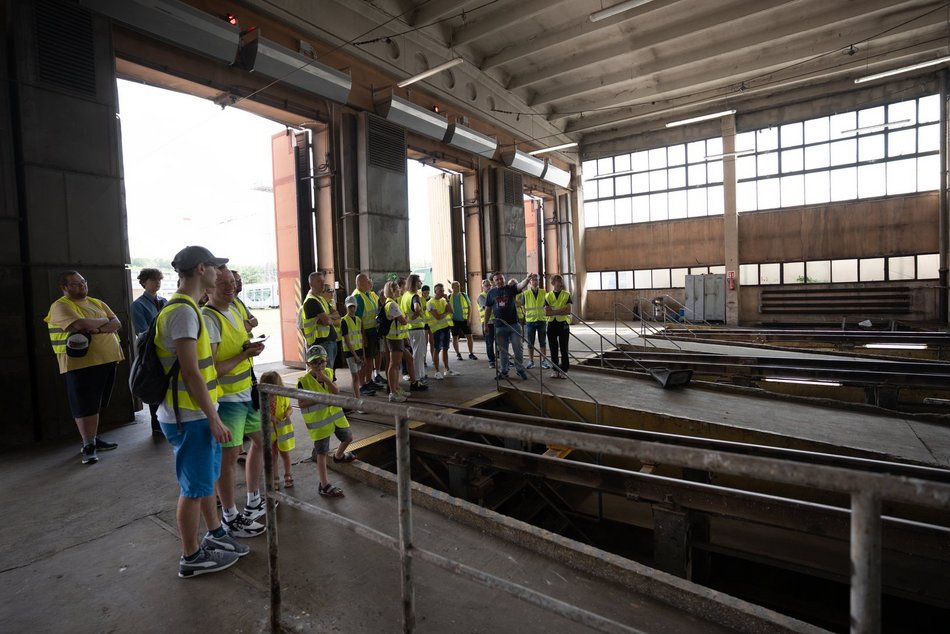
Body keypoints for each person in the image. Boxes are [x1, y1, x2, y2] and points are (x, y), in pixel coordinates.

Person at [155, 245, 248, 578]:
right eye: (214, 267)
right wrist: (213, 416)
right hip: (189, 415)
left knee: (204, 481)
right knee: (193, 489)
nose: (219, 273)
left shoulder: (188, 307)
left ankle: (216, 534)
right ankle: (190, 557)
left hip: (197, 412)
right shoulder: (182, 311)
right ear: (199, 269)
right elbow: (191, 371)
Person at [202, 267, 267, 538]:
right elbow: (213, 368)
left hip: (246, 390)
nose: (230, 287)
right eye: (223, 284)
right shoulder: (208, 318)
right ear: (207, 288)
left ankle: (253, 499)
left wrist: (251, 348)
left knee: (263, 442)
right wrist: (245, 355)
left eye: (232, 282)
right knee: (228, 458)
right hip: (227, 399)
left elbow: (240, 344)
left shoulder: (237, 308)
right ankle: (229, 516)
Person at [45, 271, 124, 465]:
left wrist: (95, 328)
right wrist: (104, 322)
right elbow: (80, 324)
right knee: (84, 405)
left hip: (107, 359)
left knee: (96, 404)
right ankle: (88, 445)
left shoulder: (97, 303)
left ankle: (93, 438)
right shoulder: (61, 306)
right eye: (75, 284)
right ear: (64, 287)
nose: (82, 286)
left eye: (83, 282)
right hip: (81, 364)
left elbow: (117, 323)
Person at [297, 345, 356, 497]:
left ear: (326, 361)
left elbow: (336, 391)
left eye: (321, 362)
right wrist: (318, 397)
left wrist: (326, 380)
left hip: (336, 418)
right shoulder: (303, 381)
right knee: (321, 453)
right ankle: (324, 485)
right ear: (308, 364)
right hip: (320, 424)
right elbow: (301, 403)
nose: (319, 366)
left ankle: (338, 456)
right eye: (315, 363)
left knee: (348, 437)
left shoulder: (329, 372)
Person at [131, 267, 167, 435]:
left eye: (159, 280)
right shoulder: (137, 305)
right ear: (144, 283)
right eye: (153, 280)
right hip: (151, 351)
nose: (157, 283)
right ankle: (156, 425)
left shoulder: (164, 301)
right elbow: (142, 331)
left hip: (167, 349)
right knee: (154, 382)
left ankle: (165, 421)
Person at [484, 271, 531, 380]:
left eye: (501, 278)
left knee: (517, 348)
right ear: (494, 282)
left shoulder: (510, 289)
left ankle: (520, 369)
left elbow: (520, 285)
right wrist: (485, 324)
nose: (499, 281)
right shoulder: (491, 293)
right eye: (497, 280)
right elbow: (488, 309)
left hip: (513, 325)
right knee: (503, 351)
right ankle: (504, 371)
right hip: (499, 326)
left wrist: (527, 279)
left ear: (504, 279)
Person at [259, 371, 294, 490]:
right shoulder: (261, 398)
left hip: (282, 432)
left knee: (285, 454)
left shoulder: (283, 395)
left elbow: (290, 408)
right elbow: (259, 413)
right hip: (270, 433)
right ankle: (275, 478)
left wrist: (287, 414)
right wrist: (270, 417)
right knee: (273, 456)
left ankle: (288, 474)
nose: (272, 394)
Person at [299, 271, 339, 373]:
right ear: (311, 284)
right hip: (322, 343)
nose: (322, 284)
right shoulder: (312, 301)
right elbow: (326, 321)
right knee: (325, 373)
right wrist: (328, 318)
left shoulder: (321, 299)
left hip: (330, 341)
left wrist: (327, 317)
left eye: (323, 281)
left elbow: (337, 315)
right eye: (318, 282)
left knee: (330, 372)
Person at [381, 280, 411, 402]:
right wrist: (407, 317)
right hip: (394, 339)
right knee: (394, 365)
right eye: (397, 288)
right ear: (392, 291)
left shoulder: (391, 303)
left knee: (396, 365)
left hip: (396, 338)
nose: (400, 290)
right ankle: (393, 392)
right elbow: (403, 321)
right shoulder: (392, 304)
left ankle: (396, 388)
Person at [352, 273, 383, 393]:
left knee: (370, 358)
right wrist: (363, 336)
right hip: (366, 333)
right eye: (366, 282)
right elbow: (358, 319)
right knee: (365, 359)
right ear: (359, 283)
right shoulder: (358, 297)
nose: (368, 284)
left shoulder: (367, 294)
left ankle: (369, 381)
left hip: (372, 331)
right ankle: (364, 383)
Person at [401, 274, 429, 389]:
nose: (420, 284)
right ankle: (418, 377)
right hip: (417, 328)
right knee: (418, 353)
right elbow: (417, 308)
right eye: (418, 282)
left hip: (409, 329)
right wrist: (417, 314)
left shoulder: (405, 296)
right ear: (414, 283)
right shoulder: (415, 296)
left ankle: (418, 375)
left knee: (414, 352)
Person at [520, 273, 551, 371]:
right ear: (529, 282)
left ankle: (544, 361)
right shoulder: (525, 294)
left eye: (536, 280)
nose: (535, 281)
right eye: (533, 280)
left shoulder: (543, 292)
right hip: (530, 321)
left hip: (542, 320)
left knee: (543, 342)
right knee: (530, 342)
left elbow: (548, 305)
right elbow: (521, 305)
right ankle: (531, 361)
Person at [545, 275, 573, 380]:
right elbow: (547, 313)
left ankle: (564, 370)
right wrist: (561, 310)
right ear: (553, 283)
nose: (560, 283)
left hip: (563, 324)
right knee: (553, 349)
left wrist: (554, 311)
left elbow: (568, 310)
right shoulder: (548, 296)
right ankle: (555, 370)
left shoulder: (566, 294)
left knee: (564, 348)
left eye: (560, 281)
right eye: (557, 281)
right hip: (551, 324)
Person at [340, 296, 369, 398]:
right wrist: (356, 356)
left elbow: (361, 339)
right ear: (346, 307)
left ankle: (356, 397)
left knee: (357, 376)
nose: (352, 309)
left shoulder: (358, 320)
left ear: (356, 306)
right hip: (350, 353)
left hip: (359, 351)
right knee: (355, 376)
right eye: (350, 307)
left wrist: (363, 355)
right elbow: (347, 341)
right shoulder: (344, 321)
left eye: (353, 306)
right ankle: (357, 400)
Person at [426, 283, 456, 379]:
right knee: (437, 349)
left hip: (446, 327)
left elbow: (452, 311)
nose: (442, 292)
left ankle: (447, 369)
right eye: (440, 291)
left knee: (446, 348)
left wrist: (447, 300)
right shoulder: (430, 303)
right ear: (435, 291)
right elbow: (438, 317)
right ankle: (437, 371)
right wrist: (446, 312)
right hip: (437, 329)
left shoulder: (443, 301)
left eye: (443, 291)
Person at [449, 280, 477, 361]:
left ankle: (471, 353)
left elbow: (469, 307)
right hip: (454, 321)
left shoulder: (464, 295)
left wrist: (469, 319)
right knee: (455, 337)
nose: (458, 287)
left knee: (469, 336)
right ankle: (458, 354)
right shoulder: (449, 297)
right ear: (452, 287)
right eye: (456, 286)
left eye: (458, 285)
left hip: (464, 320)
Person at [477, 279, 495, 369]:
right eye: (486, 285)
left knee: (500, 342)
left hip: (496, 321)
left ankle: (502, 359)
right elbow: (487, 308)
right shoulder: (481, 296)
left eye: (490, 285)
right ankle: (491, 361)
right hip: (487, 323)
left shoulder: (494, 295)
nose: (488, 287)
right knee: (489, 343)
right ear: (482, 287)